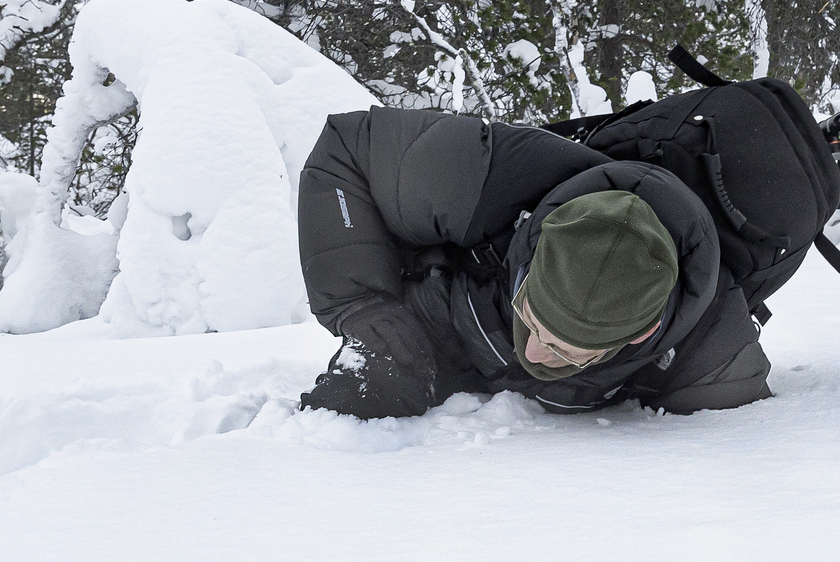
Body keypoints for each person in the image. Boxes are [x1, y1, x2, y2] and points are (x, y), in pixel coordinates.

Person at [296, 106, 774, 418]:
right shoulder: (480, 179)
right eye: (533, 316)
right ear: (534, 251)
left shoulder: (714, 354)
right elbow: (345, 149)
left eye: (567, 351)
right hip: (440, 314)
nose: (536, 353)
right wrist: (364, 310)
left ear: (642, 334)